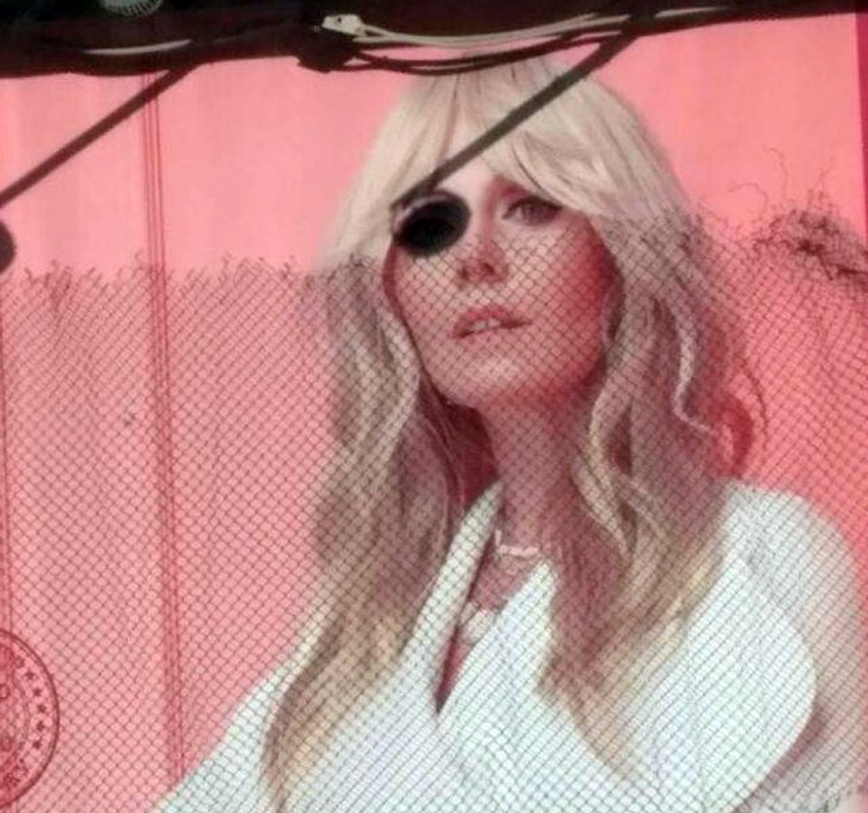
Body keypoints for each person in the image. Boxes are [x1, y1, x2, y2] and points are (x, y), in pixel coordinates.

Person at [151, 53, 868, 813]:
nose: (475, 258)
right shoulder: (367, 613)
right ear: (391, 286)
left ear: (620, 254)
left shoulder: (759, 554)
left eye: (531, 205)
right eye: (429, 224)